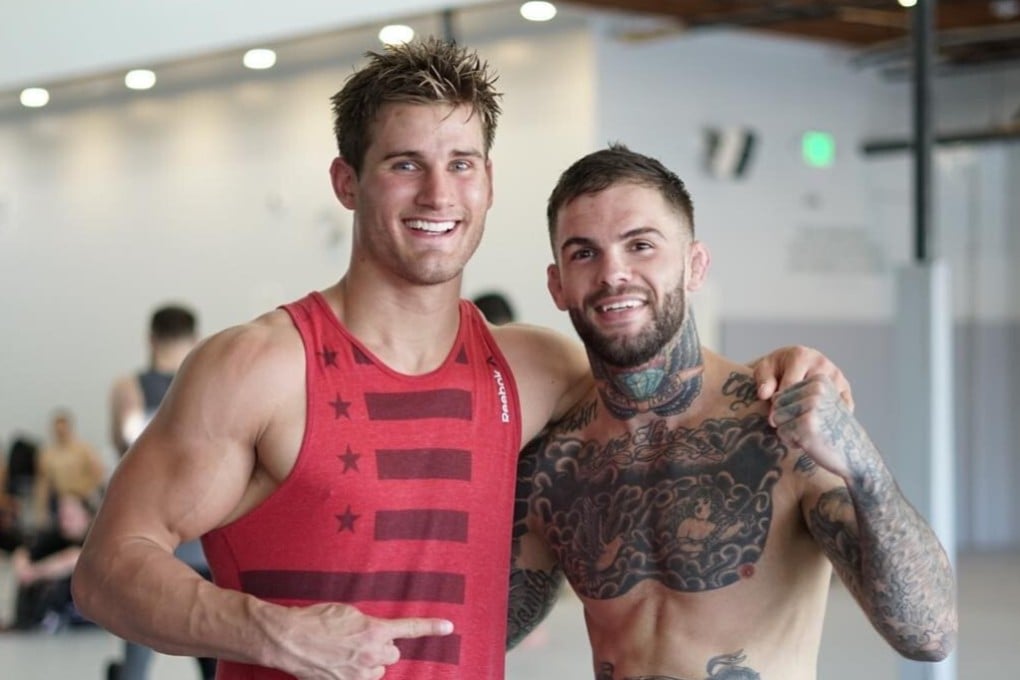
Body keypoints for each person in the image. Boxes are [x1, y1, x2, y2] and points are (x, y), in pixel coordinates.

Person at [72, 39, 851, 680]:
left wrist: (783, 370)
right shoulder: (261, 366)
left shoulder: (531, 371)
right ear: (347, 182)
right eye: (404, 163)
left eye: (463, 162)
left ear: (487, 184)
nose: (438, 192)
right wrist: (272, 633)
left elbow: (676, 382)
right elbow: (107, 570)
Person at [507, 144, 957, 679]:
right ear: (558, 284)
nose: (613, 274)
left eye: (641, 245)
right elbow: (481, 628)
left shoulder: (778, 429)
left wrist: (864, 467)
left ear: (695, 265)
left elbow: (929, 634)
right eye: (585, 253)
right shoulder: (556, 462)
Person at [105, 304, 214, 680]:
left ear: (150, 339)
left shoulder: (127, 389)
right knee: (216, 652)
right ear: (196, 339)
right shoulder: (214, 386)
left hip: (148, 537)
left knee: (137, 655)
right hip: (205, 536)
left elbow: (123, 446)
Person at [9, 493, 94, 631]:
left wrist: (36, 573)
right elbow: (23, 552)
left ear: (86, 516)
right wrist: (23, 567)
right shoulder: (54, 536)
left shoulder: (94, 538)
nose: (65, 521)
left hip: (82, 616)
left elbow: (74, 558)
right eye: (63, 516)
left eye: (71, 516)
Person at [33, 410, 105, 526]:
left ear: (69, 429)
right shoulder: (48, 455)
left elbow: (99, 475)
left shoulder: (84, 450)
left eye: (63, 429)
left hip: (84, 499)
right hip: (63, 502)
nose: (61, 433)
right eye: (58, 430)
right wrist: (41, 512)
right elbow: (43, 484)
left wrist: (93, 500)